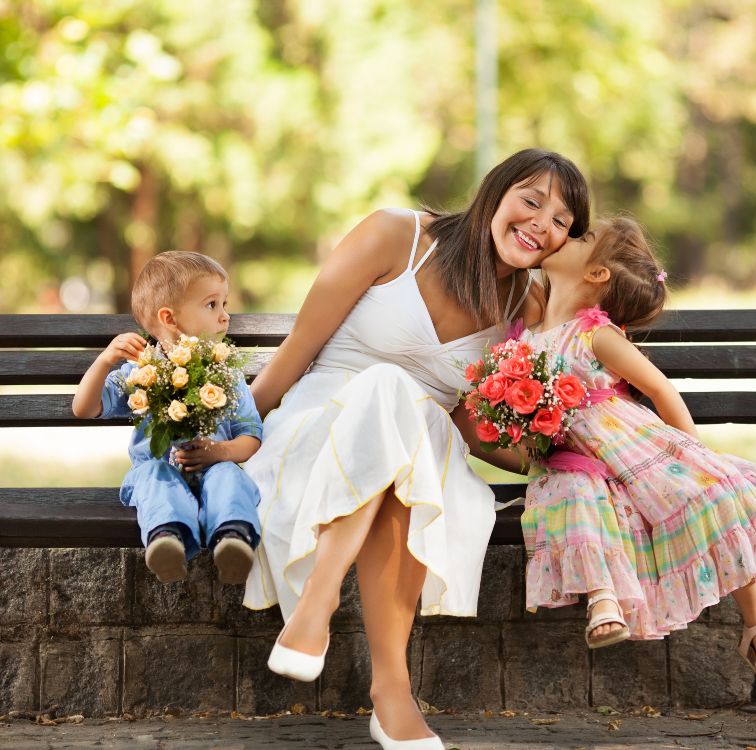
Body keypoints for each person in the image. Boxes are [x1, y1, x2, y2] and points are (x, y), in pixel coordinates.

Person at [242, 150, 590, 749]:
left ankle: (349, 644)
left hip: (425, 450)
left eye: (561, 220)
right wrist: (238, 436)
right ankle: (378, 675)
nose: (542, 224)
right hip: (322, 431)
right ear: (495, 193)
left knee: (411, 428)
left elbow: (469, 421)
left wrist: (559, 453)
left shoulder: (523, 307)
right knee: (388, 391)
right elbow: (298, 348)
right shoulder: (395, 235)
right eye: (532, 201)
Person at [517, 216, 756, 681]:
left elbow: (661, 391)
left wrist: (693, 455)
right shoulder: (529, 322)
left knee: (705, 499)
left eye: (580, 237)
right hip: (577, 464)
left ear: (597, 274)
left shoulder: (594, 334)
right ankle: (604, 598)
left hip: (634, 451)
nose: (563, 235)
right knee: (579, 500)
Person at [72, 251, 263, 586]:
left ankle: (233, 539)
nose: (225, 317)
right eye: (212, 305)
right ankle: (166, 542)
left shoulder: (227, 375)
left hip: (211, 468)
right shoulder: (140, 372)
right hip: (157, 471)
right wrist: (105, 362)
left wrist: (220, 452)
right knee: (154, 477)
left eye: (224, 304)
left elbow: (250, 436)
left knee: (228, 477)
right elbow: (83, 409)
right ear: (170, 319)